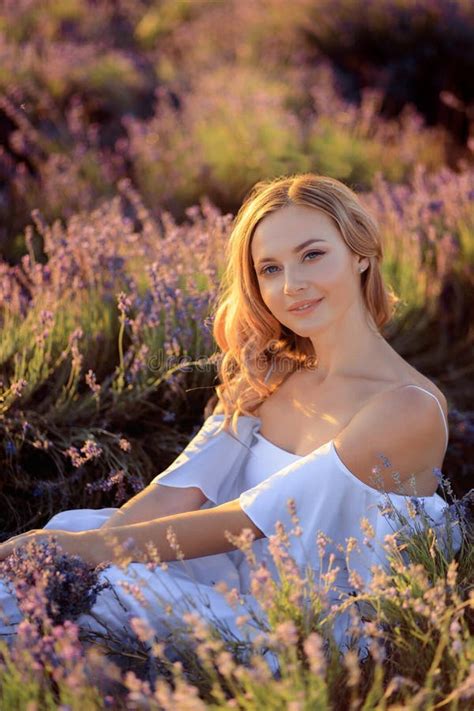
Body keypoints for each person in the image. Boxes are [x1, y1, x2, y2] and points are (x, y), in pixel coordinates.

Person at [0, 173, 457, 675]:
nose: (292, 285)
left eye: (312, 255)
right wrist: (66, 554)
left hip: (291, 629)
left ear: (361, 254)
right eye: (269, 269)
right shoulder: (272, 375)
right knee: (48, 559)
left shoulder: (407, 407)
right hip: (219, 582)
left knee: (72, 583)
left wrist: (84, 554)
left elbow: (247, 520)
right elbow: (176, 493)